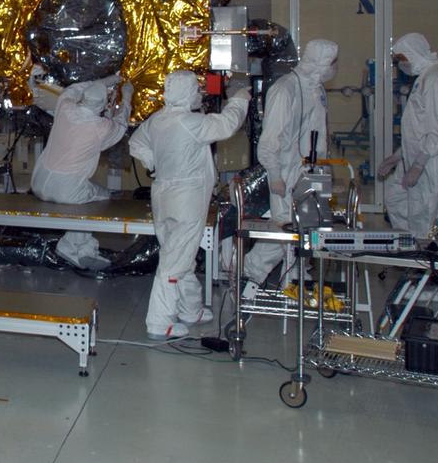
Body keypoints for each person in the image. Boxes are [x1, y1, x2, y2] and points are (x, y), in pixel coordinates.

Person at [130, 71, 250, 340]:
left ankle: (191, 308)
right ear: (186, 93)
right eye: (197, 89)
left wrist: (152, 163)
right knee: (174, 260)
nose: (200, 94)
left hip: (162, 194)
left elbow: (136, 143)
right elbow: (228, 124)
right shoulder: (191, 122)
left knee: (177, 252)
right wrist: (239, 99)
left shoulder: (158, 120)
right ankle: (159, 322)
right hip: (187, 198)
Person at [244, 38, 339, 286]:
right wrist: (275, 174)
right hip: (286, 172)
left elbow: (318, 131)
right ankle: (249, 273)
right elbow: (269, 139)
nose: (333, 69)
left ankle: (297, 274)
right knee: (284, 230)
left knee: (306, 228)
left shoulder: (316, 89)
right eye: (331, 63)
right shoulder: (285, 90)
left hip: (310, 171)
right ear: (319, 63)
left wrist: (323, 169)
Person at [30, 76, 133, 269]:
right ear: (102, 104)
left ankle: (85, 248)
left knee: (88, 193)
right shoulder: (100, 127)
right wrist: (127, 97)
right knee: (103, 198)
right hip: (66, 189)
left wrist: (104, 81)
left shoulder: (65, 108)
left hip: (38, 181)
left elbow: (71, 89)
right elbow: (121, 125)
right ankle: (71, 244)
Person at [379, 33, 438, 239]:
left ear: (414, 53)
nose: (401, 64)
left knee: (425, 214)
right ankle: (408, 247)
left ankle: (423, 261)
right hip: (413, 157)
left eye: (402, 59)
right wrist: (398, 156)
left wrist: (418, 165)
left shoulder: (436, 79)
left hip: (429, 162)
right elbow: (417, 127)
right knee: (396, 198)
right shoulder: (425, 77)